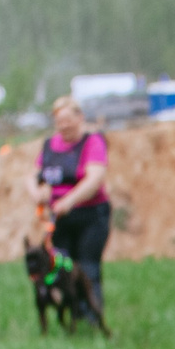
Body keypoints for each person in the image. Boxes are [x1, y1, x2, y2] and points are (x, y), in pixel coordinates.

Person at [36, 96, 111, 310]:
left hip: (91, 215)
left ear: (80, 118)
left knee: (88, 267)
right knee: (62, 269)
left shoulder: (93, 142)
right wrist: (38, 193)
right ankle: (73, 315)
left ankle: (93, 315)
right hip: (60, 218)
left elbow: (95, 179)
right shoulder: (50, 146)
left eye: (68, 120)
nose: (64, 126)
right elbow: (36, 176)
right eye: (60, 121)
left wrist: (68, 201)